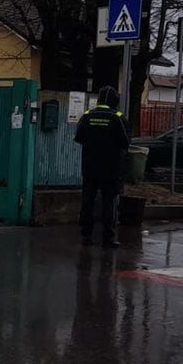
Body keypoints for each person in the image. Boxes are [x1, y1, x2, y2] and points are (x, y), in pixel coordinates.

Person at [74, 86, 130, 248]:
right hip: (110, 168)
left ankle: (86, 235)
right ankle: (108, 237)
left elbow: (78, 138)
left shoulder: (87, 115)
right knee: (108, 202)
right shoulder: (117, 118)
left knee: (88, 201)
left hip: (89, 167)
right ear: (114, 101)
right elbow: (125, 142)